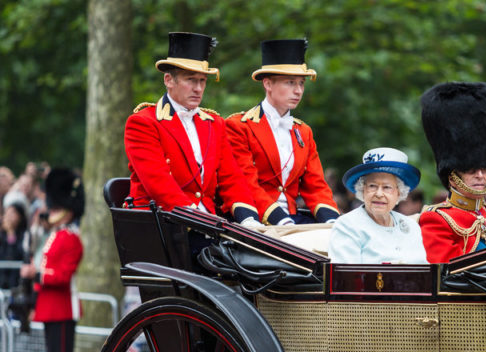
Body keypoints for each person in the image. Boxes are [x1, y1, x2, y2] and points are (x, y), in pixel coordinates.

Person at [124, 32, 264, 230]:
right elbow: (159, 185)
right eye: (191, 80)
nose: (198, 88)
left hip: (209, 225)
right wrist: (200, 222)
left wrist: (248, 219)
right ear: (168, 80)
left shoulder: (214, 123)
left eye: (202, 81)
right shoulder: (143, 123)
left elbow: (231, 177)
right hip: (163, 226)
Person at [226, 39, 339, 226]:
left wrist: (332, 222)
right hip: (253, 219)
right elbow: (246, 184)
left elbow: (316, 186)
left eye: (301, 83)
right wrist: (280, 219)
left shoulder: (304, 131)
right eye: (290, 83)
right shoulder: (239, 126)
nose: (298, 91)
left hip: (293, 219)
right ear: (268, 84)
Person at [418, 82, 486, 264]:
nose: (481, 175)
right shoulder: (437, 219)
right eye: (471, 170)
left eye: (485, 168)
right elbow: (449, 276)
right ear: (453, 176)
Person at [19, 168, 83, 352]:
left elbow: (62, 276)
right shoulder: (55, 235)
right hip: (50, 308)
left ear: (67, 211)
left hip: (63, 308)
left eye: (56, 207)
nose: (52, 211)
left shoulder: (72, 238)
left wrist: (37, 274)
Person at [328, 147, 426, 264]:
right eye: (372, 186)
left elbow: (422, 272)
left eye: (387, 187)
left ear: (399, 193)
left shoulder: (411, 226)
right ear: (362, 190)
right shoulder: (347, 225)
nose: (379, 194)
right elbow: (346, 277)